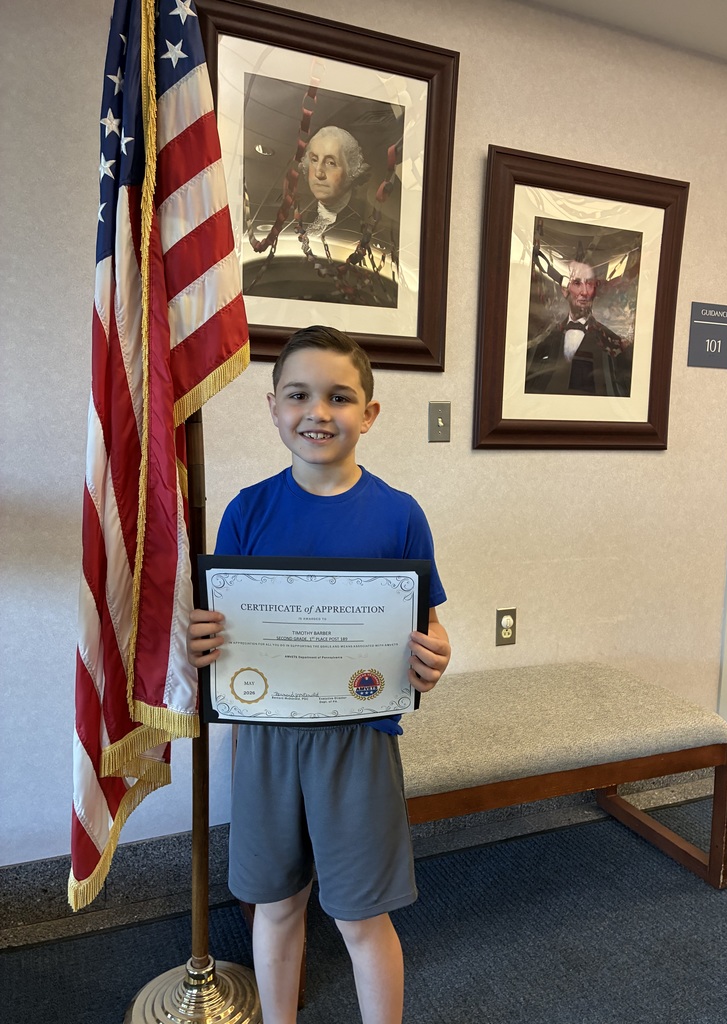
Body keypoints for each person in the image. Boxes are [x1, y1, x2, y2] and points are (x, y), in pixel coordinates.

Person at [186, 325, 451, 1024]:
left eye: (340, 397)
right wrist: (202, 637)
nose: (318, 412)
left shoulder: (400, 516)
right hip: (266, 739)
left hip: (360, 741)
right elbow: (220, 628)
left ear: (369, 414)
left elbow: (427, 623)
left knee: (363, 919)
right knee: (274, 907)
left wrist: (434, 654)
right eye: (299, 395)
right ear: (273, 407)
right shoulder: (248, 511)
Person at [525, 259, 633, 397]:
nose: (584, 292)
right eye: (577, 283)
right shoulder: (546, 338)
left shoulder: (613, 343)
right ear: (564, 290)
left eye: (589, 284)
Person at [299, 125, 371, 238]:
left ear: (352, 170)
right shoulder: (309, 215)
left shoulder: (363, 221)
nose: (318, 173)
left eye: (331, 163)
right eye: (314, 160)